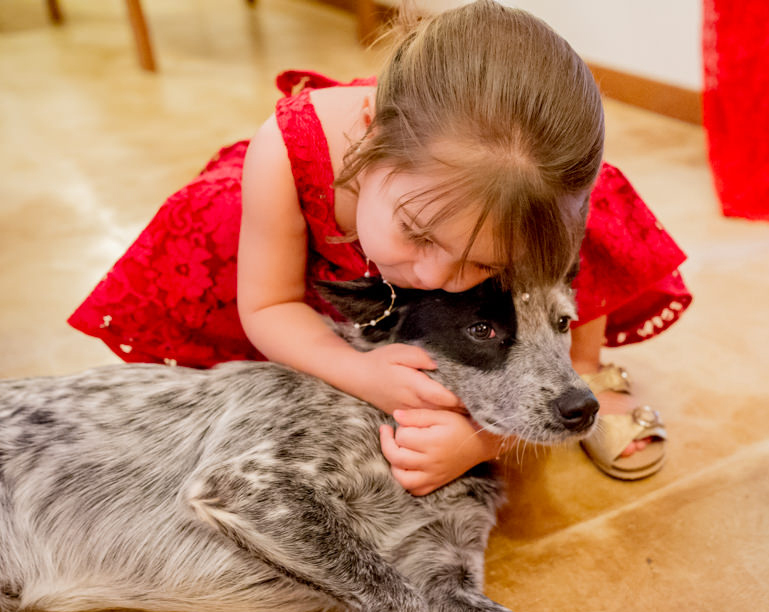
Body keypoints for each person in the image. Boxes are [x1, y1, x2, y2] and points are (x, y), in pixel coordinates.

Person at [68, 0, 690, 495]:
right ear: (370, 140)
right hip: (282, 237)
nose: (439, 277)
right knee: (235, 243)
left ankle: (586, 363)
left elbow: (544, 274)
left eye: (483, 264)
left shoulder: (506, 211)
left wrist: (479, 439)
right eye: (418, 234)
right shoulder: (286, 151)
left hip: (510, 208)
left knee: (588, 204)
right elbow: (268, 308)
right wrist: (358, 371)